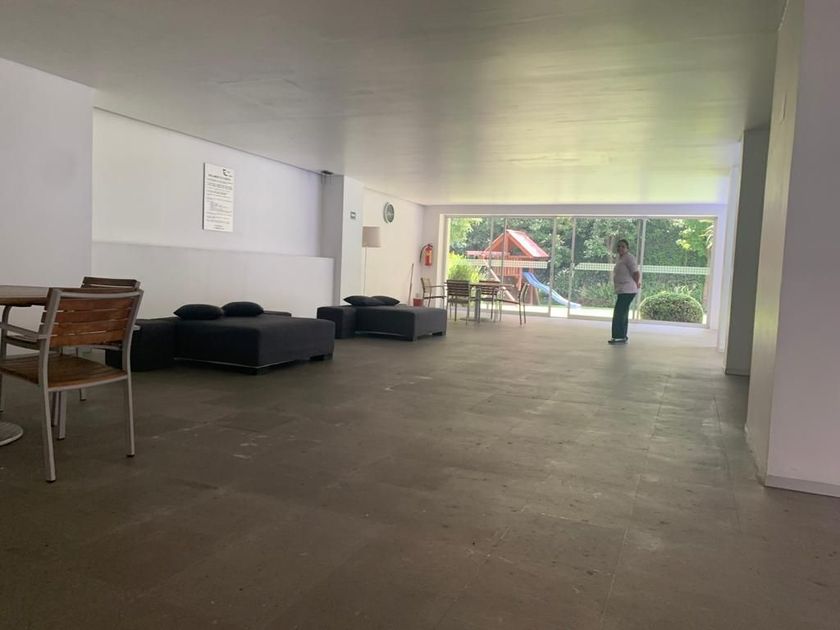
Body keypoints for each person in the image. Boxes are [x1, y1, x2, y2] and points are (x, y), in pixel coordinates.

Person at [609, 239, 640, 344]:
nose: (620, 248)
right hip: (622, 290)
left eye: (623, 246)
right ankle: (622, 336)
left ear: (627, 248)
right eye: (618, 246)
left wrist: (637, 283)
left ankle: (619, 336)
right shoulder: (620, 258)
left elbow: (636, 272)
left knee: (619, 313)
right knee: (622, 313)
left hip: (628, 290)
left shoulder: (629, 258)